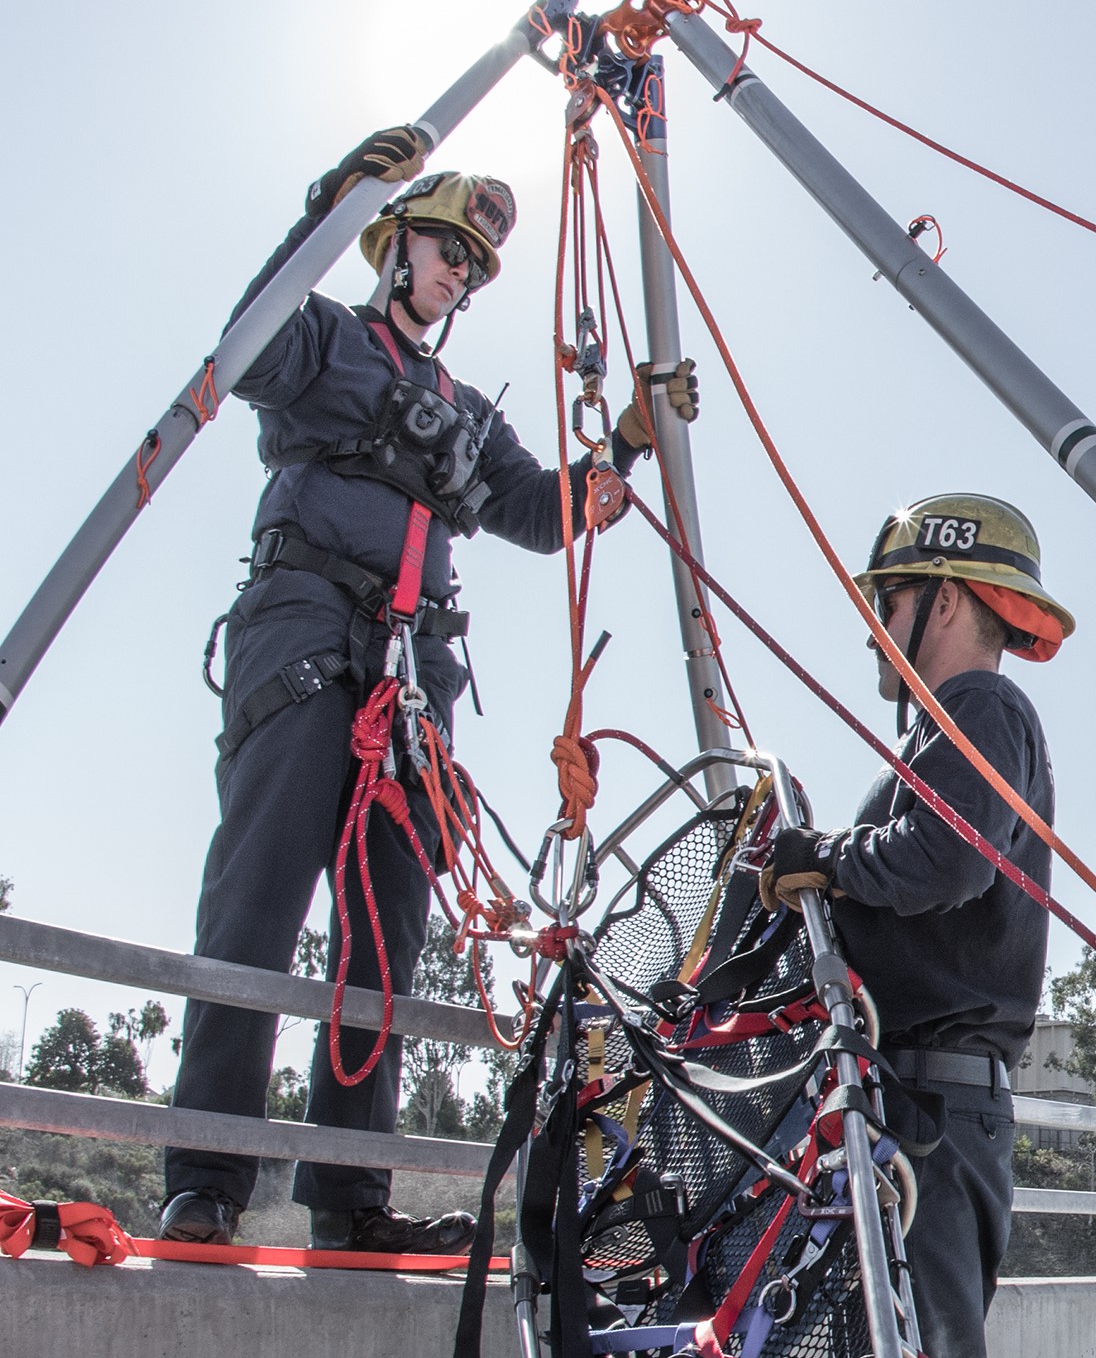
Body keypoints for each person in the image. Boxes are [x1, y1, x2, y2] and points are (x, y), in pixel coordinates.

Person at [160, 126, 698, 1253]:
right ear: (393, 243)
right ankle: (204, 1176)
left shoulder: (466, 412)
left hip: (412, 673)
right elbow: (243, 352)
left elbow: (539, 514)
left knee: (385, 927)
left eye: (473, 263)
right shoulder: (320, 338)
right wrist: (334, 200)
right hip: (306, 634)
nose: (458, 271)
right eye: (446, 248)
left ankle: (349, 1197)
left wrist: (626, 445)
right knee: (259, 898)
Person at [759, 494, 1074, 1358]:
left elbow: (947, 859)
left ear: (944, 599)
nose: (874, 633)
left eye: (888, 603)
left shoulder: (981, 706)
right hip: (920, 1106)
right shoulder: (946, 732)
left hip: (931, 1115)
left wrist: (825, 860)